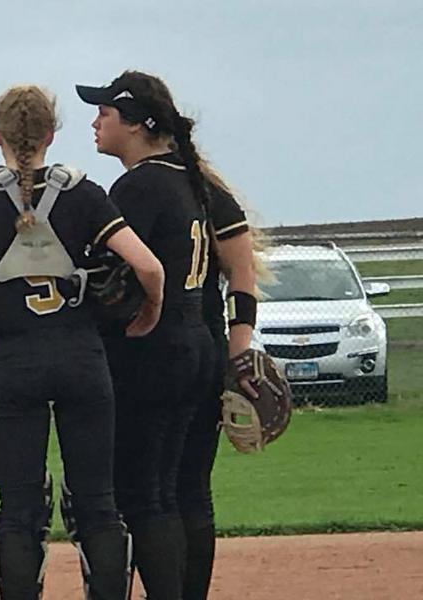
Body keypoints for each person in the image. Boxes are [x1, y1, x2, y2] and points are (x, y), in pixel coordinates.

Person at [0, 84, 165, 600]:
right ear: (51, 134)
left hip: (15, 363)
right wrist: (149, 311)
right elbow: (149, 266)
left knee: (19, 510)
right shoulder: (83, 193)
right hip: (82, 358)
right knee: (98, 506)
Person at [76, 71, 215, 600]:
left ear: (134, 125)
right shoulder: (184, 177)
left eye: (105, 113)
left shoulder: (140, 186)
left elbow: (107, 271)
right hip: (194, 339)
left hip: (154, 348)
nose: (95, 122)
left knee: (143, 495)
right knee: (170, 491)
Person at [176, 160, 263, 600]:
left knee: (166, 492)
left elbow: (242, 269)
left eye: (107, 114)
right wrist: (239, 348)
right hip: (206, 349)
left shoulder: (187, 190)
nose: (96, 125)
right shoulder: (203, 191)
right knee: (189, 490)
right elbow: (244, 272)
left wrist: (240, 352)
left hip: (179, 354)